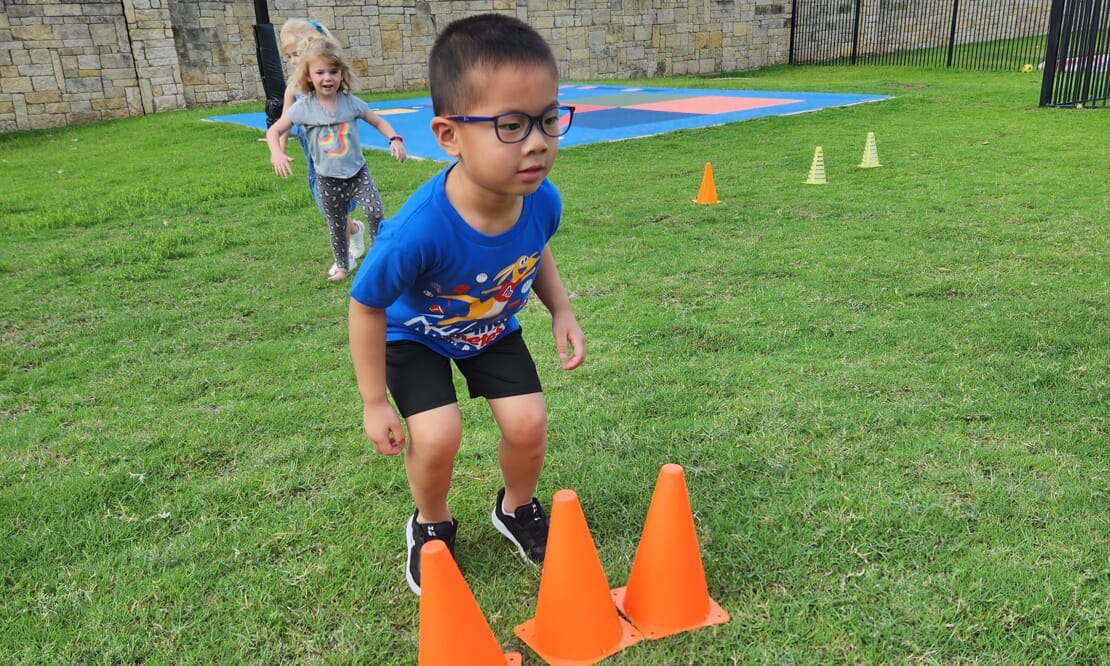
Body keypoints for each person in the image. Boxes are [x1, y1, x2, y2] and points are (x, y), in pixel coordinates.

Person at [348, 13, 585, 595]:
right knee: (438, 434)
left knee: (529, 424)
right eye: (510, 125)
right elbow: (366, 303)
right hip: (415, 336)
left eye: (548, 120)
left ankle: (516, 509)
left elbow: (538, 250)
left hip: (491, 329)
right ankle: (431, 525)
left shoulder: (539, 198)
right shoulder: (416, 231)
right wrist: (374, 400)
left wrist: (560, 309)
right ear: (449, 135)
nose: (537, 142)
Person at [266, 33, 407, 281]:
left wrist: (394, 139)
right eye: (320, 72)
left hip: (357, 173)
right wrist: (277, 151)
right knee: (337, 224)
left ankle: (376, 256)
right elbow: (275, 130)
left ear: (342, 74)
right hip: (327, 178)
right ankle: (343, 265)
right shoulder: (303, 108)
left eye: (333, 71)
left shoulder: (350, 103)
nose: (327, 78)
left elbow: (377, 120)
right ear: (308, 76)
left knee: (375, 212)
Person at [274, 19, 364, 263]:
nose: (293, 61)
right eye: (289, 56)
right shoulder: (293, 89)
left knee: (336, 209)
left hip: (341, 159)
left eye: (297, 54)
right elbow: (284, 122)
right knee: (330, 210)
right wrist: (279, 151)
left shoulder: (330, 86)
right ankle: (353, 231)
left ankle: (344, 254)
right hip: (317, 165)